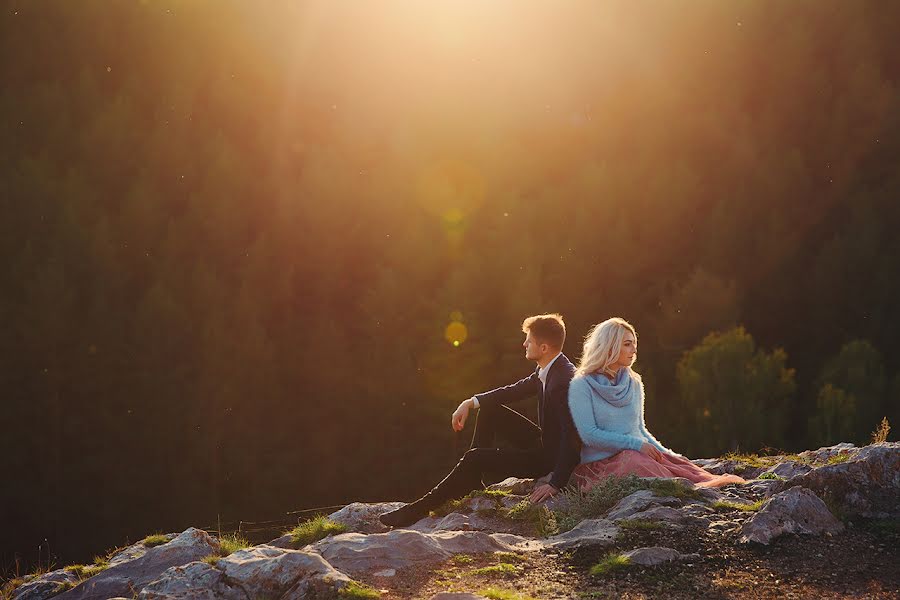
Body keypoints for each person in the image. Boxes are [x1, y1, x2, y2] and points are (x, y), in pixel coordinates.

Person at [379, 313, 581, 527]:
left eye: (528, 341)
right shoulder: (551, 367)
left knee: (474, 457)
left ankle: (415, 511)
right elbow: (514, 390)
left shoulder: (561, 382)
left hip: (549, 459)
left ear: (543, 348)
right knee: (490, 409)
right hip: (546, 441)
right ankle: (471, 478)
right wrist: (471, 402)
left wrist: (556, 483)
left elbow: (573, 436)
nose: (524, 344)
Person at [567, 317, 745, 489]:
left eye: (634, 343)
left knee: (678, 465)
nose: (634, 350)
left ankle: (692, 483)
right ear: (609, 346)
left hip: (636, 454)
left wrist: (667, 453)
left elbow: (641, 429)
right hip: (602, 464)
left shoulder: (634, 382)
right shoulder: (581, 385)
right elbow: (589, 435)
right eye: (627, 344)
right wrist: (636, 445)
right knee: (636, 461)